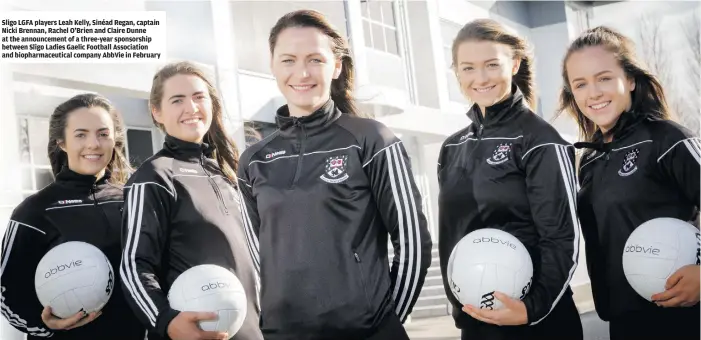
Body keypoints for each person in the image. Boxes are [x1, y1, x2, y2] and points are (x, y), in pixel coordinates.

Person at [236, 9, 432, 340]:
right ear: (273, 66)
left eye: (315, 59)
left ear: (336, 66)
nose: (302, 72)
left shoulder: (372, 139)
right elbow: (255, 257)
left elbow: (413, 241)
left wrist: (383, 320)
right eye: (288, 60)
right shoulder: (255, 159)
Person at [436, 19, 583, 340]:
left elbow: (562, 237)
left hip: (537, 322)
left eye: (492, 65)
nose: (480, 78)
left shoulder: (541, 140)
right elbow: (450, 235)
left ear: (514, 64)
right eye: (468, 68)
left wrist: (533, 308)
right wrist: (461, 305)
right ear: (457, 72)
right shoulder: (452, 147)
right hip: (477, 323)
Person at [560, 26, 700, 339]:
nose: (593, 92)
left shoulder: (668, 140)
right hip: (623, 324)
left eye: (604, 78)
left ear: (631, 80)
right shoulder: (591, 161)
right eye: (580, 84)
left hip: (683, 321)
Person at [119, 61, 262, 340]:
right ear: (157, 112)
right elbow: (134, 266)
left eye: (199, 97)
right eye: (177, 100)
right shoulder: (154, 177)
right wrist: (166, 322)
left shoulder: (227, 173)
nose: (192, 107)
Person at [0, 94, 146, 339]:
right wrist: (45, 323)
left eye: (103, 133)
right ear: (62, 142)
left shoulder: (134, 201)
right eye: (81, 134)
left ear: (115, 139)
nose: (94, 144)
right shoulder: (34, 211)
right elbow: (7, 294)